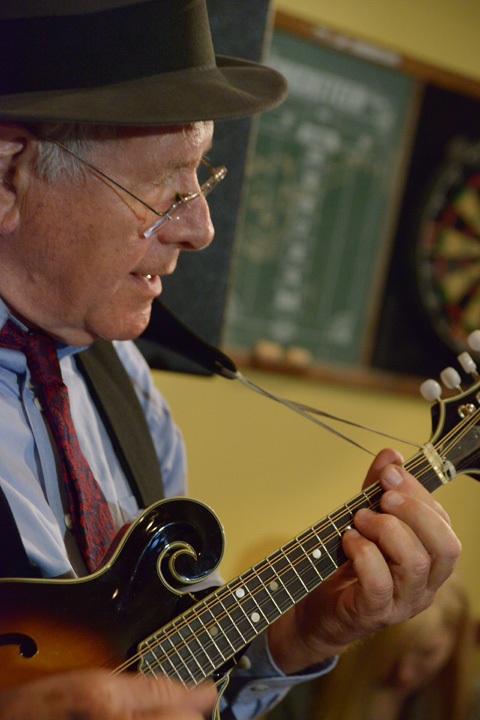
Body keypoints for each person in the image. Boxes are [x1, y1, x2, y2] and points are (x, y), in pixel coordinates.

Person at [0, 2, 461, 719]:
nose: (201, 229)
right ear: (9, 176)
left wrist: (300, 637)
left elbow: (172, 671)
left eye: (202, 181)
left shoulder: (129, 391)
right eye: (166, 189)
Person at [267, 572, 480, 720]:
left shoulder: (465, 701)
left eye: (426, 653)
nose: (404, 674)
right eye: (390, 654)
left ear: (456, 638)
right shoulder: (304, 689)